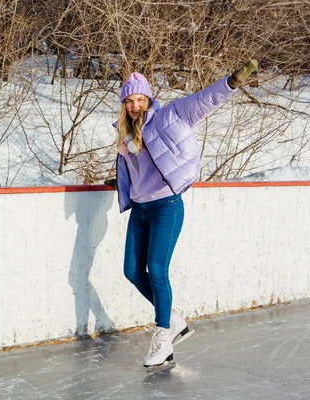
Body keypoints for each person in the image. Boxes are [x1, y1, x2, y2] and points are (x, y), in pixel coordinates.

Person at [105, 60, 258, 368]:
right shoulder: (124, 134)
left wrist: (230, 82)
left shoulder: (169, 116)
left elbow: (203, 100)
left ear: (148, 99)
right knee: (132, 271)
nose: (135, 106)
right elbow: (134, 169)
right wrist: (119, 182)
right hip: (140, 208)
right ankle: (173, 318)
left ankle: (163, 337)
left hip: (166, 206)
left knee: (157, 270)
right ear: (124, 104)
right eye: (129, 101)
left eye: (140, 99)